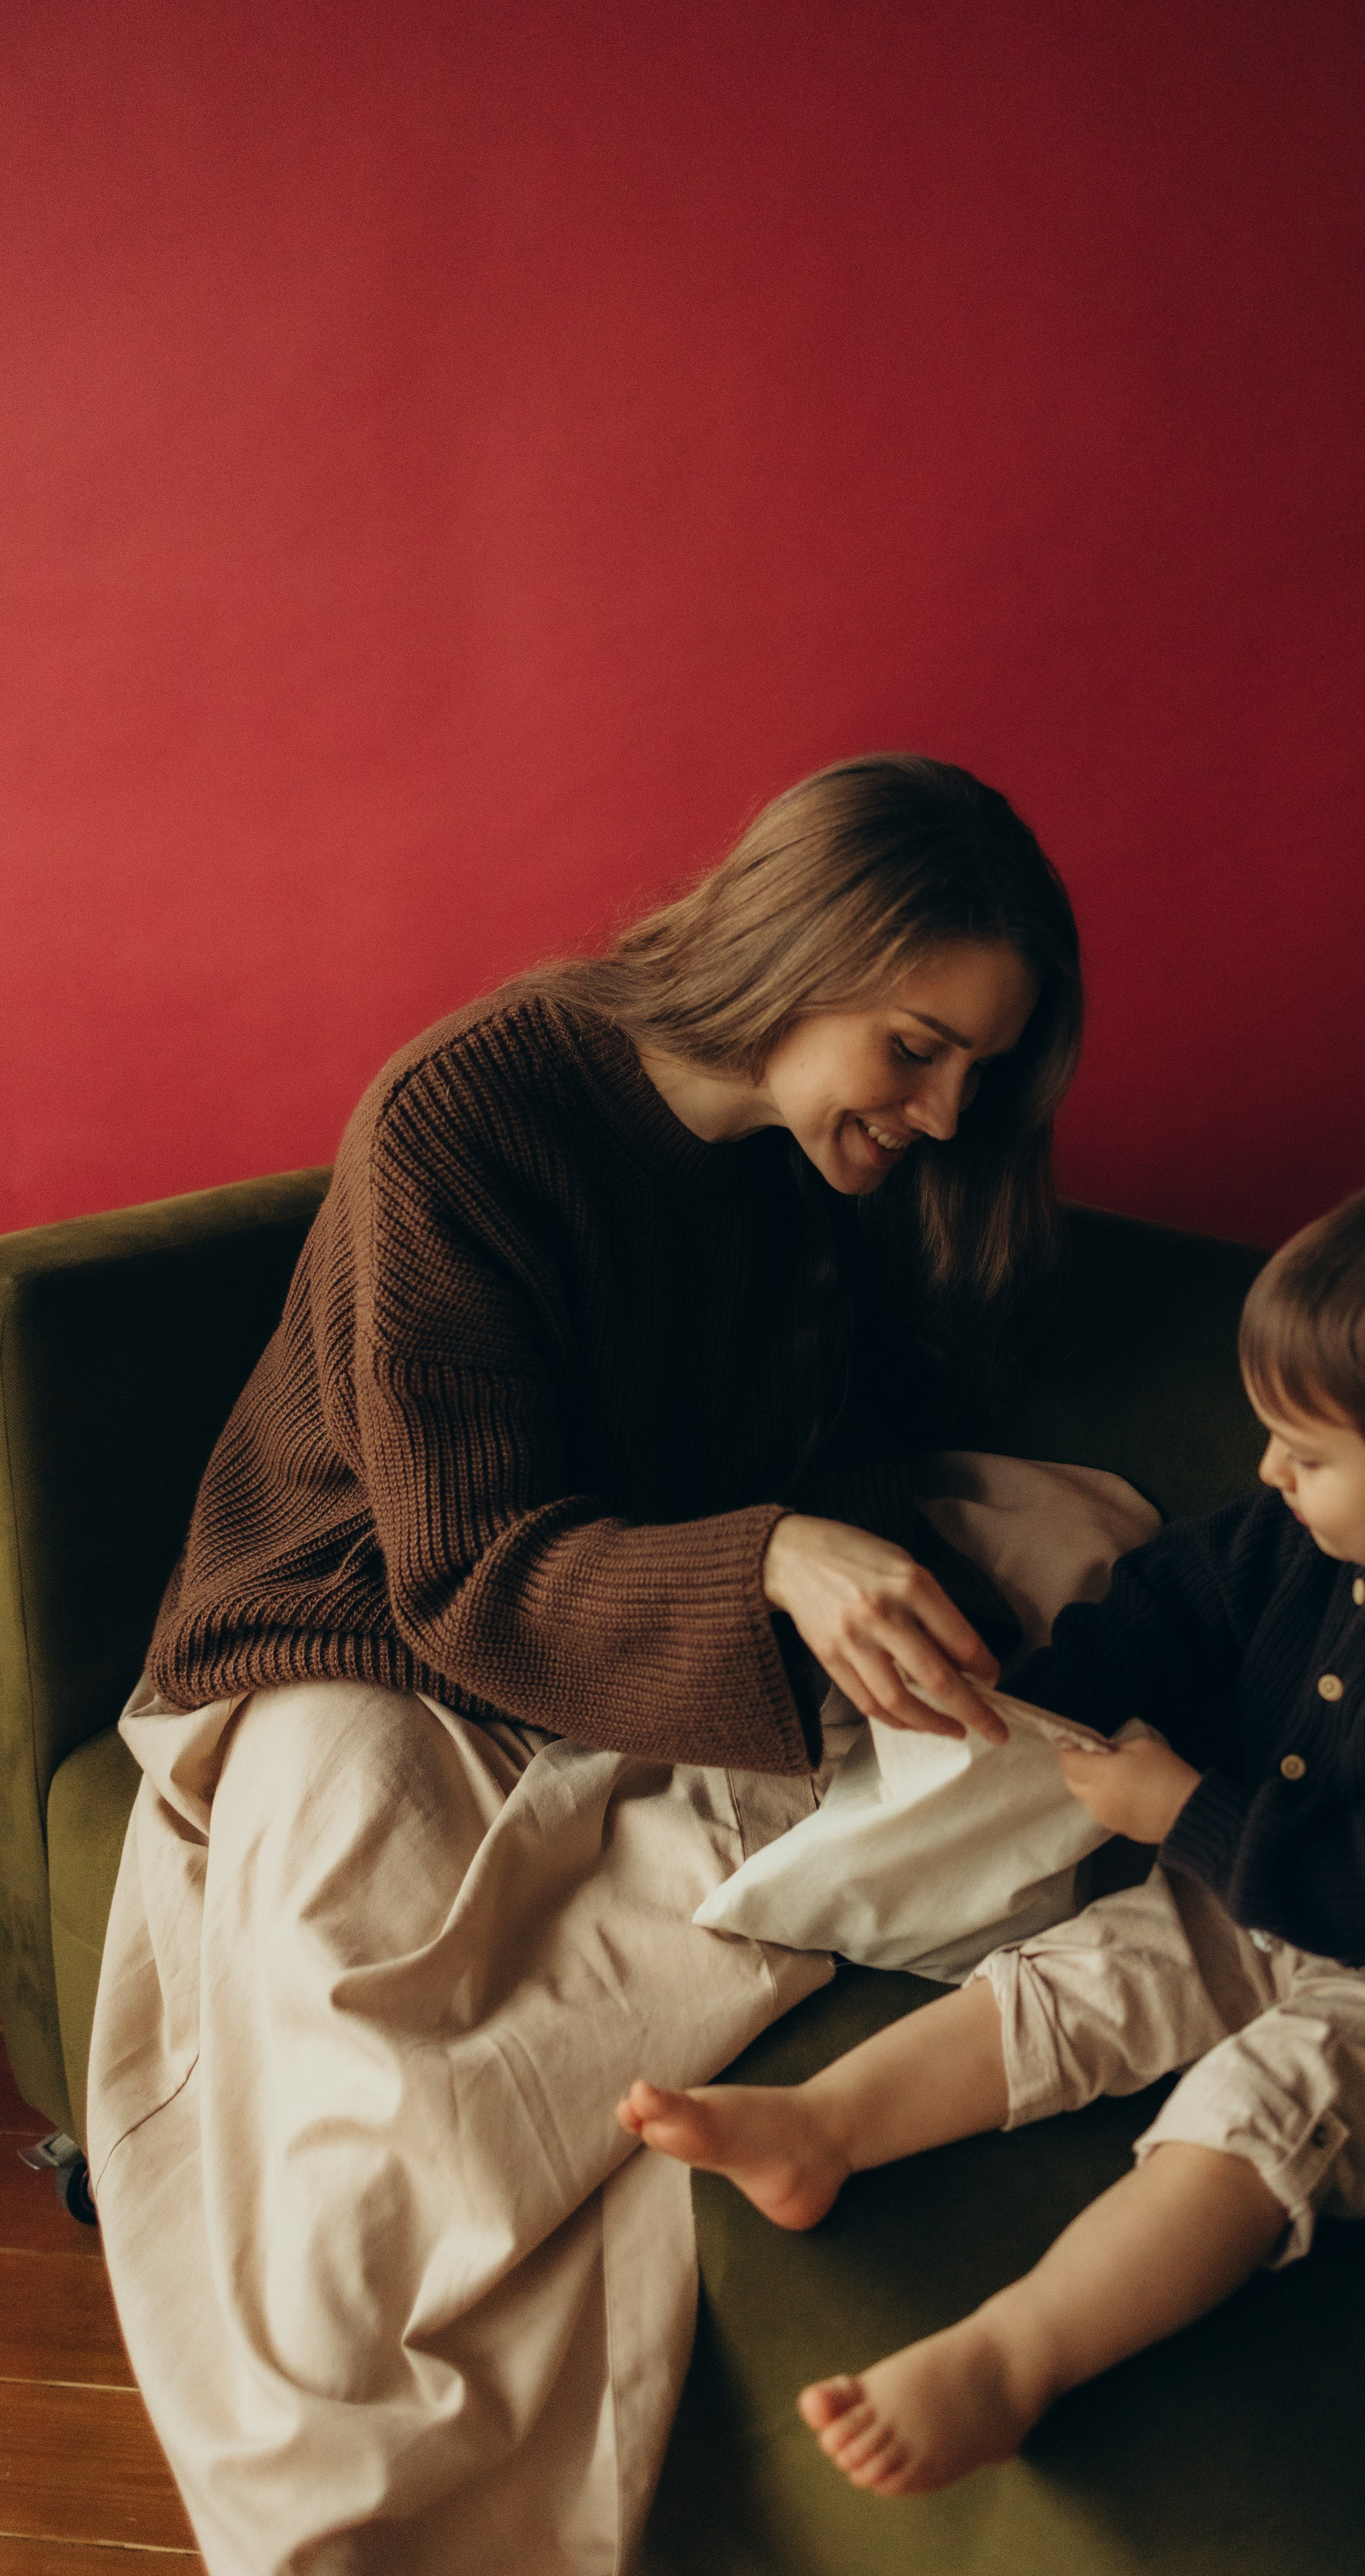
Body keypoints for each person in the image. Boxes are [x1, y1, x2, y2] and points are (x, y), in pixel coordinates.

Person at [85, 754, 1082, 2575]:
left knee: (1073, 1550)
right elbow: (464, 1564)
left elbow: (847, 1439)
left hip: (643, 1601)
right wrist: (772, 1556)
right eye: (917, 1048)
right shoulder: (465, 1117)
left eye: (980, 1072)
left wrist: (838, 1536)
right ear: (799, 954)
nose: (946, 1112)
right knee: (359, 2058)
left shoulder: (831, 1175)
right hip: (362, 1618)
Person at [619, 1173, 1365, 2498]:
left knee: (1270, 2099)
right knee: (1103, 1964)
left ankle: (1012, 2359)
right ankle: (823, 2128)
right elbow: (1174, 1607)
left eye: (1307, 1453)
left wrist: (1186, 1811)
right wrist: (1041, 1713)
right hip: (1287, 1872)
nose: (1267, 1472)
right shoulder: (1305, 1536)